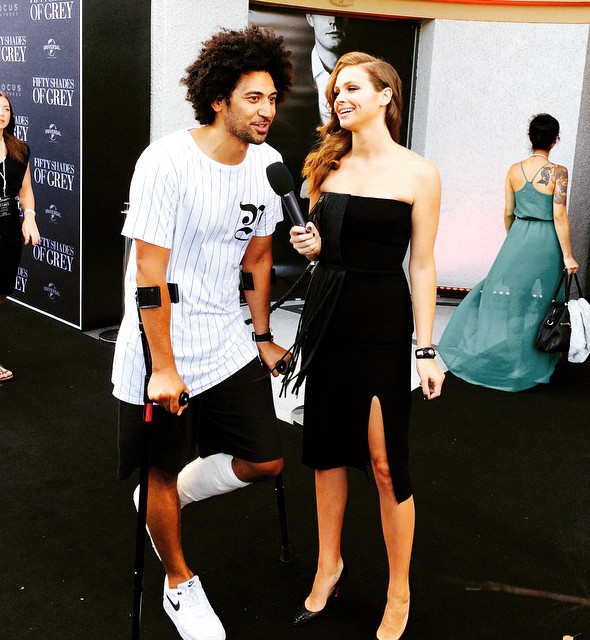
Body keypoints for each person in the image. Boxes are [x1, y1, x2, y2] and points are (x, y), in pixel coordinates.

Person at [111, 27, 293, 640]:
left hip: (226, 338)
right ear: (218, 98)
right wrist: (163, 366)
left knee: (266, 460)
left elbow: (258, 258)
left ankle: (171, 499)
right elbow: (149, 272)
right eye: (253, 98)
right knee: (159, 470)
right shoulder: (165, 162)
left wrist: (262, 335)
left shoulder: (268, 166)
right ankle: (178, 582)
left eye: (272, 98)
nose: (266, 110)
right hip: (161, 344)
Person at [286, 51, 445, 640]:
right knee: (327, 451)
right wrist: (312, 246)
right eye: (336, 91)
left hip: (381, 323)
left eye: (351, 87)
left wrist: (426, 348)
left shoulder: (419, 173)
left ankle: (399, 590)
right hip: (327, 318)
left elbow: (422, 265)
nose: (340, 98)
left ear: (385, 95)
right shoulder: (324, 167)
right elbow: (323, 247)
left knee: (384, 462)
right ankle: (329, 565)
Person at [438, 113, 579, 392]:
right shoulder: (558, 172)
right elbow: (559, 215)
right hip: (547, 241)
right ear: (555, 140)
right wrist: (568, 254)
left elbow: (507, 212)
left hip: (518, 237)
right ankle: (534, 361)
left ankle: (513, 360)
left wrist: (515, 239)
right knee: (545, 301)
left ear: (530, 137)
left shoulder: (514, 170)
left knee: (516, 300)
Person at [0, 91, 40, 382]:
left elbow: (25, 191)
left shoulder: (19, 149)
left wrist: (30, 217)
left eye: (6, 109)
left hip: (8, 229)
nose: (2, 114)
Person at [306, 14, 348, 125]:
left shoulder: (368, 73)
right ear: (309, 18)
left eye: (340, 12)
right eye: (324, 13)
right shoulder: (291, 78)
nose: (333, 20)